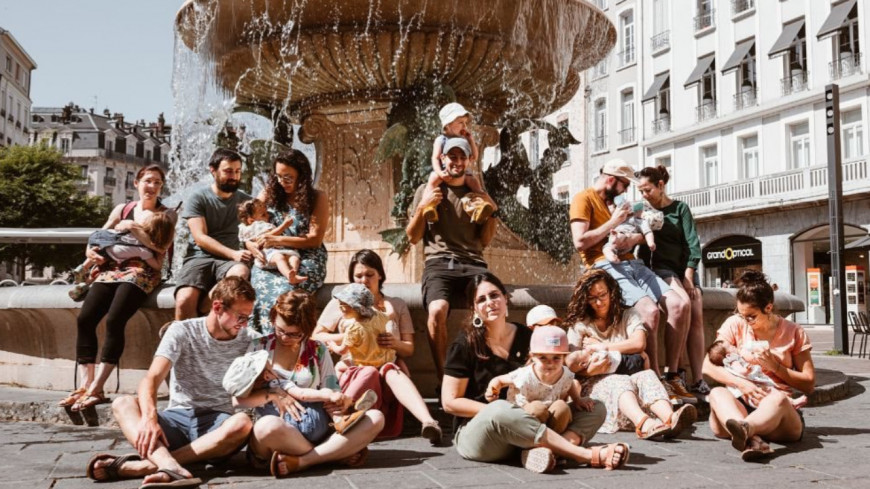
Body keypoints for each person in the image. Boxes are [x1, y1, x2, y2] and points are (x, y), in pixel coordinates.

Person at [443, 272, 629, 473]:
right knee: (500, 409)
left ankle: (544, 451)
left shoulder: (528, 337)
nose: (490, 302)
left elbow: (555, 372)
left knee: (596, 407)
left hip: (530, 422)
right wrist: (507, 414)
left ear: (505, 298)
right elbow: (450, 402)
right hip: (483, 433)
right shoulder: (464, 345)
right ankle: (583, 455)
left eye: (494, 295)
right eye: (481, 299)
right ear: (474, 309)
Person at [85, 277, 258, 487]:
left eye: (248, 318)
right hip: (176, 419)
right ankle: (168, 464)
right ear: (217, 307)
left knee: (242, 423)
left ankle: (148, 466)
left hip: (217, 428)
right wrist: (149, 418)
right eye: (240, 317)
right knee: (122, 403)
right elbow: (152, 378)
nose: (244, 324)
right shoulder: (182, 330)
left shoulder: (251, 339)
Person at [568, 159, 691, 402]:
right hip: (604, 264)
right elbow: (580, 242)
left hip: (634, 263)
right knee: (650, 312)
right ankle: (654, 378)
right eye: (624, 185)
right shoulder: (583, 199)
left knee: (678, 305)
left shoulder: (618, 203)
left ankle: (673, 375)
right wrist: (613, 222)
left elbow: (641, 233)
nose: (626, 190)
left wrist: (633, 239)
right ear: (611, 180)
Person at [60, 165, 177, 412]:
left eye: (157, 182)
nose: (152, 186)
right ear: (136, 183)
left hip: (143, 271)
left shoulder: (167, 214)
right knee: (85, 319)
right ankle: (85, 384)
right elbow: (99, 236)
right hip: (111, 268)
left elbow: (161, 247)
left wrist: (134, 228)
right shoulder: (122, 209)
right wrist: (89, 252)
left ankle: (97, 387)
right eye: (147, 181)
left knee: (115, 320)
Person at [240, 290, 384, 478]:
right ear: (274, 319)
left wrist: (339, 402)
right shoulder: (258, 347)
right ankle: (333, 453)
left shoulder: (317, 349)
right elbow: (241, 398)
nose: (285, 337)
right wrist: (273, 394)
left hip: (319, 428)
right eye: (280, 330)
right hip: (277, 435)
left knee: (376, 417)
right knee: (266, 426)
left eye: (295, 334)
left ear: (307, 329)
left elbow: (331, 387)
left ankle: (302, 461)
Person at [314, 249, 442, 442]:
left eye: (369, 275)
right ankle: (343, 416)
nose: (363, 280)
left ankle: (429, 422)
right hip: (355, 368)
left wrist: (395, 343)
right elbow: (316, 336)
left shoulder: (395, 304)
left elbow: (409, 348)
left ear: (380, 275)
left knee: (391, 369)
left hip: (386, 370)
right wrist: (350, 336)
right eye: (358, 276)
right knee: (369, 372)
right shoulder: (342, 302)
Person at [406, 137, 499, 381]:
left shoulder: (476, 193)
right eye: (452, 156)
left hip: (473, 263)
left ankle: (485, 373)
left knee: (492, 307)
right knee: (437, 310)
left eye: (462, 157)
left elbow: (485, 240)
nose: (457, 162)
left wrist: (491, 214)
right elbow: (413, 237)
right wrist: (423, 207)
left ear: (469, 160)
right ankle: (443, 378)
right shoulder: (426, 190)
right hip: (439, 263)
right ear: (443, 158)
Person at [563, 269, 697, 440]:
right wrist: (591, 371)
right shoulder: (580, 324)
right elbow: (570, 365)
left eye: (602, 295)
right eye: (592, 298)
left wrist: (602, 346)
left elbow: (639, 343)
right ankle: (644, 424)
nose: (598, 302)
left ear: (611, 292)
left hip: (629, 378)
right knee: (619, 381)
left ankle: (670, 418)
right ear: (585, 299)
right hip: (595, 387)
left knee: (647, 375)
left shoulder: (628, 314)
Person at [703, 270, 815, 461]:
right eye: (741, 315)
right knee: (717, 393)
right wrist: (742, 384)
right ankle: (752, 438)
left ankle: (747, 430)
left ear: (768, 308)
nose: (746, 321)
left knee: (778, 399)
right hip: (739, 404)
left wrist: (775, 366)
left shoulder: (793, 332)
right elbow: (707, 366)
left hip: (777, 414)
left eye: (751, 316)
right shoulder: (735, 324)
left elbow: (809, 384)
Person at [636, 165, 709, 397]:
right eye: (640, 191)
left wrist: (689, 275)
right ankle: (674, 372)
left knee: (696, 312)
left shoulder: (680, 208)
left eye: (647, 190)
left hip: (684, 267)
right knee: (684, 303)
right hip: (661, 267)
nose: (644, 195)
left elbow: (692, 243)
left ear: (661, 185)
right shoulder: (642, 210)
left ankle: (698, 378)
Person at [249, 150, 329, 332]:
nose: (282, 182)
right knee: (258, 294)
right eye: (278, 176)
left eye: (288, 177)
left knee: (285, 296)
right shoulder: (267, 194)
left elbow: (315, 240)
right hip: (272, 256)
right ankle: (262, 342)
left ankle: (285, 340)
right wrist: (251, 245)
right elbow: (248, 226)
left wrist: (276, 239)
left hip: (306, 257)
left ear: (302, 175)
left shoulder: (318, 197)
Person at [174, 148, 252, 321]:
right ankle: (183, 335)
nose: (234, 176)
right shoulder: (198, 198)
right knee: (184, 300)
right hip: (199, 258)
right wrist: (233, 253)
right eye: (228, 171)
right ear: (213, 170)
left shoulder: (246, 201)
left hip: (229, 263)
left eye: (238, 171)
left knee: (240, 272)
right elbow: (200, 238)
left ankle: (204, 307)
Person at [484, 325, 594, 435]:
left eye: (556, 358)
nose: (550, 363)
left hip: (550, 416)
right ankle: (532, 442)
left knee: (562, 407)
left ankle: (555, 439)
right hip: (523, 418)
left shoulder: (565, 373)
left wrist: (577, 399)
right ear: (532, 357)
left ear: (564, 358)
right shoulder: (525, 374)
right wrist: (493, 391)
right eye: (543, 358)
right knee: (537, 408)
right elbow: (499, 380)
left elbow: (569, 384)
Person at [69, 211, 175, 301]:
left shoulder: (132, 229)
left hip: (106, 245)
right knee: (104, 263)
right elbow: (158, 267)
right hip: (121, 265)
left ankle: (83, 270)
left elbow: (102, 233)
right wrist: (161, 253)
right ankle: (86, 284)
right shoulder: (144, 250)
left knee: (101, 262)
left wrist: (88, 251)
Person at [421, 102, 492, 223]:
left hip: (461, 172)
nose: (464, 126)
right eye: (460, 123)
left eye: (465, 123)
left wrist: (470, 140)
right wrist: (440, 173)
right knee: (432, 179)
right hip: (445, 170)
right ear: (448, 124)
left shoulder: (463, 139)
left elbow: (474, 156)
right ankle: (428, 207)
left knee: (474, 182)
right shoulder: (441, 140)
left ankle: (480, 205)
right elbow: (435, 158)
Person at [706, 340, 808, 409]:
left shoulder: (730, 361)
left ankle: (789, 403)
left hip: (749, 391)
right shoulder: (733, 360)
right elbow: (740, 371)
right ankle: (791, 402)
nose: (734, 346)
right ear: (728, 355)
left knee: (769, 395)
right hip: (752, 387)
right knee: (771, 392)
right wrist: (746, 369)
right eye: (731, 346)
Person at [327, 283, 397, 370]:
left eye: (343, 305)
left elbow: (342, 351)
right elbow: (392, 313)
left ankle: (336, 380)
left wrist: (333, 346)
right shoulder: (379, 316)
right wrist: (386, 303)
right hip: (383, 361)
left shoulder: (353, 329)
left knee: (338, 367)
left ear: (355, 308)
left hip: (362, 364)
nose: (340, 308)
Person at [237, 198, 307, 285]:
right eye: (263, 215)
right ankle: (288, 275)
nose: (268, 215)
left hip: (280, 249)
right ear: (251, 220)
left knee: (294, 258)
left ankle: (293, 273)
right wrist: (284, 226)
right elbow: (267, 237)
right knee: (279, 258)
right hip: (268, 254)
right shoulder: (256, 226)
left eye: (266, 212)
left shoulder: (263, 222)